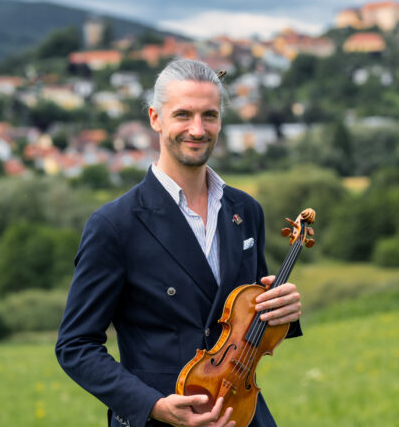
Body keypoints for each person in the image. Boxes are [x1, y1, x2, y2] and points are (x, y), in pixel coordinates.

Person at [56, 59, 302, 427]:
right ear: (156, 118)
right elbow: (75, 346)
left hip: (243, 413)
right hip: (159, 419)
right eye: (183, 114)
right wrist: (152, 405)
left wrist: (282, 311)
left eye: (210, 115)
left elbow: (248, 322)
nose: (198, 129)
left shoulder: (246, 210)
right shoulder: (114, 224)